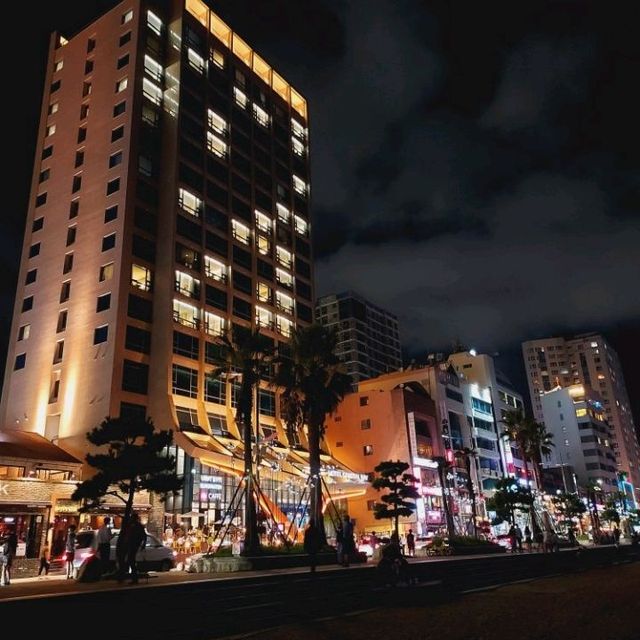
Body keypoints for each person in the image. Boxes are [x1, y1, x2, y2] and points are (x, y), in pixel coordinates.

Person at [126, 513, 147, 584]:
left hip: (134, 544)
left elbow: (144, 536)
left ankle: (135, 578)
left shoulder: (136, 525)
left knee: (131, 560)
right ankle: (134, 577)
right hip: (133, 544)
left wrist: (143, 544)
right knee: (131, 560)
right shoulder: (134, 525)